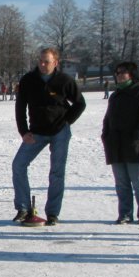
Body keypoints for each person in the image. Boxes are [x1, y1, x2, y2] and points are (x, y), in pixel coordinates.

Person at [12, 47, 86, 225]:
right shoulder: (28, 80)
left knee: (56, 172)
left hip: (59, 132)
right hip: (36, 132)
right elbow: (20, 107)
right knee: (18, 165)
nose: (42, 64)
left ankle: (53, 213)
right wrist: (24, 131)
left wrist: (66, 121)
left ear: (56, 63)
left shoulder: (64, 80)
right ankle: (23, 208)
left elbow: (80, 103)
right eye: (40, 61)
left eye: (47, 61)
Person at [101, 62, 139, 224]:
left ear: (131, 74)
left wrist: (138, 136)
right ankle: (125, 213)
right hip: (116, 144)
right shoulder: (116, 95)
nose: (118, 75)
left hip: (135, 144)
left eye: (122, 72)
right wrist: (106, 135)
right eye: (117, 72)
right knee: (121, 183)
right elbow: (108, 118)